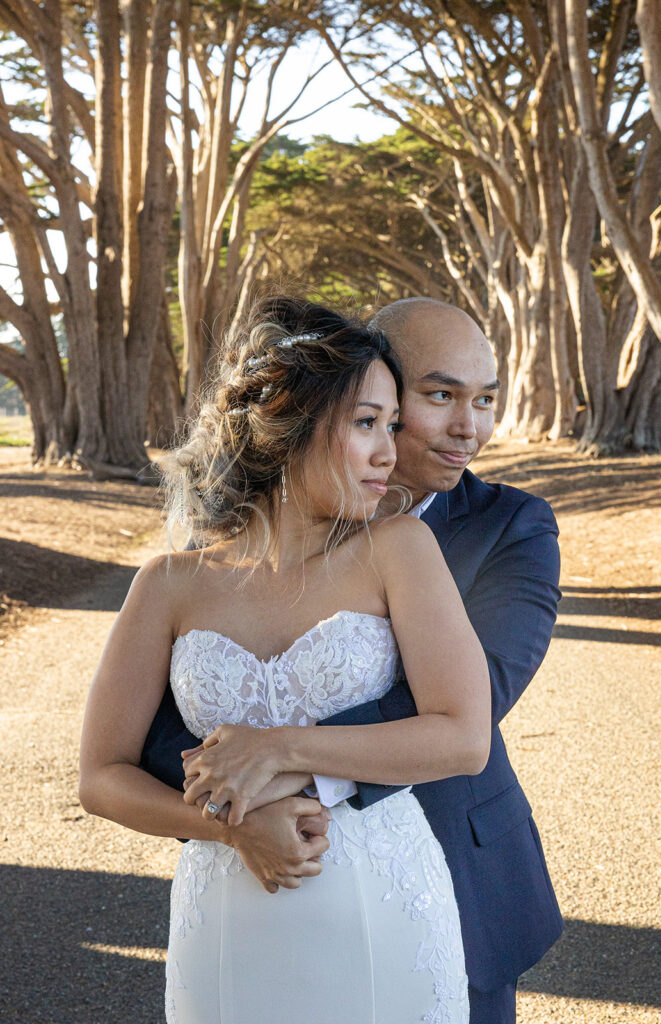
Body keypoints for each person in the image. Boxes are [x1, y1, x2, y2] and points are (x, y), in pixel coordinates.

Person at [79, 296, 493, 1024]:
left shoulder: (396, 550)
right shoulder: (169, 584)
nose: (389, 452)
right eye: (366, 423)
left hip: (384, 903)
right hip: (228, 915)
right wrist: (230, 827)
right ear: (288, 425)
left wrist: (276, 750)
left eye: (391, 426)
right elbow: (101, 777)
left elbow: (462, 738)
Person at [172, 298, 564, 1024]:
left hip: (445, 866)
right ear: (366, 386)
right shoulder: (242, 539)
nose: (468, 428)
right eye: (441, 395)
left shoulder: (511, 526)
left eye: (484, 401)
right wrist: (229, 817)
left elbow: (475, 695)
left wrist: (283, 762)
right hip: (260, 881)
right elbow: (171, 721)